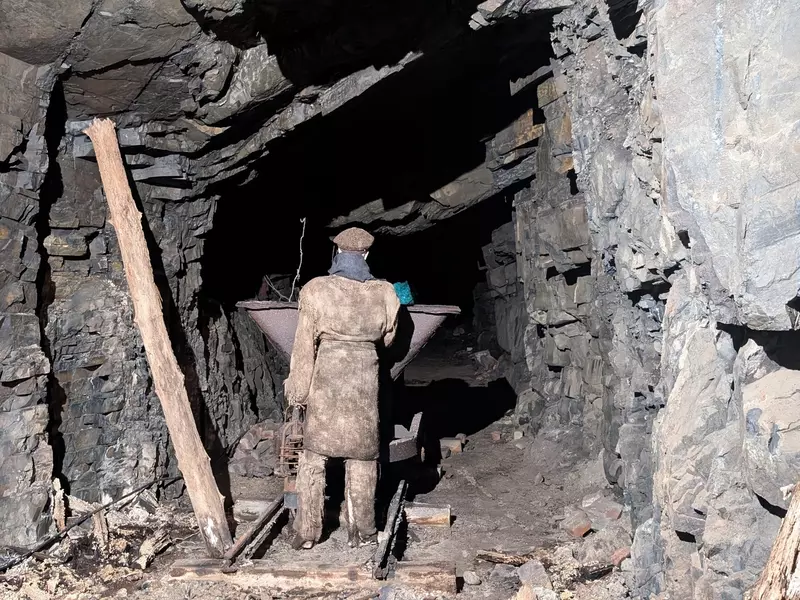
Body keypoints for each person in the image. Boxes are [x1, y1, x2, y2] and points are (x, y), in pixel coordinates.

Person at [284, 226, 401, 550]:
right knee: (363, 460)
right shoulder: (385, 292)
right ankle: (361, 532)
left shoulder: (316, 290)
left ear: (337, 253)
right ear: (365, 254)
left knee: (312, 458)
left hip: (327, 385)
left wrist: (299, 393)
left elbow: (304, 346)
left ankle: (308, 533)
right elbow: (389, 339)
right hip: (363, 385)